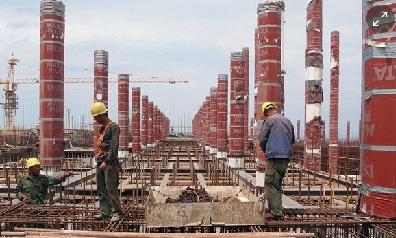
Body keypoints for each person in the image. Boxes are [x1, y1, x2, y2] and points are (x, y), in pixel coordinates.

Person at [258, 102, 295, 220]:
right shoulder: (288, 121)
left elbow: (262, 139)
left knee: (270, 183)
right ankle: (277, 208)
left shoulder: (269, 121)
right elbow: (292, 140)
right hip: (285, 157)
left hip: (274, 157)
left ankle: (276, 212)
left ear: (266, 112)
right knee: (277, 183)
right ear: (274, 109)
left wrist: (267, 150)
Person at [91, 101, 122, 222]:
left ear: (102, 115)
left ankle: (116, 212)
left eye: (96, 117)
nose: (95, 119)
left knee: (111, 188)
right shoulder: (103, 129)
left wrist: (107, 161)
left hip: (109, 163)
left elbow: (114, 147)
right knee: (101, 189)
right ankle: (105, 212)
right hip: (100, 161)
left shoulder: (114, 127)